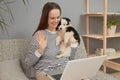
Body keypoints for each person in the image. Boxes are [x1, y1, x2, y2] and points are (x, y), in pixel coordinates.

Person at [21, 2, 79, 80]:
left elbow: (71, 59)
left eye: (58, 17)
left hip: (66, 72)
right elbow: (27, 63)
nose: (56, 20)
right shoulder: (39, 35)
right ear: (46, 18)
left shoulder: (65, 32)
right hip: (46, 75)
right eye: (52, 18)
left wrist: (73, 44)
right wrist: (40, 50)